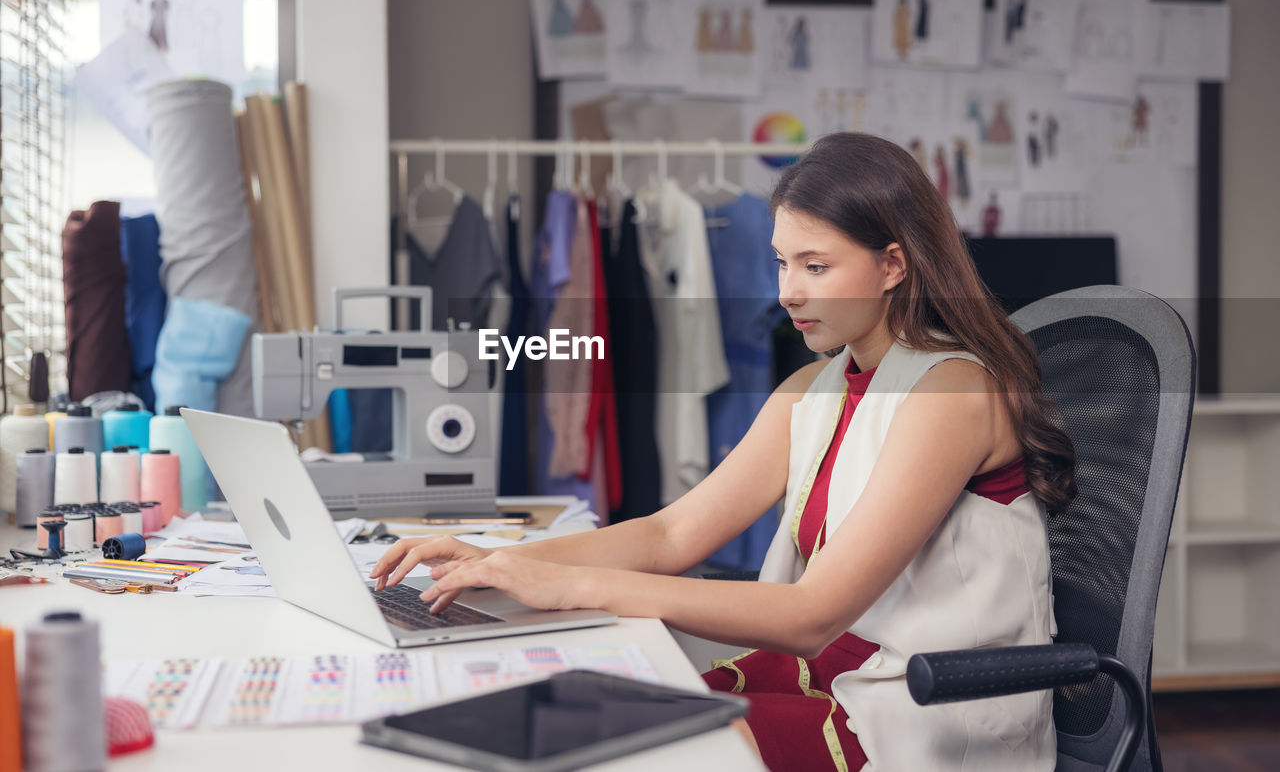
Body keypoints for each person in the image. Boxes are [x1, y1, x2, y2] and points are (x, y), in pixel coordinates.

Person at [371, 132, 1076, 771]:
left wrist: (573, 586)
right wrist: (496, 562)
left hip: (922, 713)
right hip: (837, 680)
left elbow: (813, 614)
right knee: (590, 718)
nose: (787, 291)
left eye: (816, 266)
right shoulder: (815, 387)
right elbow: (672, 532)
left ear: (893, 264)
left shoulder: (948, 392)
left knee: (626, 747)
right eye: (781, 263)